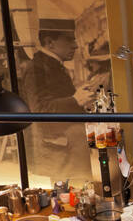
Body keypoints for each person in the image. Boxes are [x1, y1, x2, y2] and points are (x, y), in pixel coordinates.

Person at [19, 17, 96, 180]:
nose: (75, 45)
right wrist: (76, 100)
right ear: (49, 42)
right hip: (61, 151)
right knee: (68, 198)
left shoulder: (53, 65)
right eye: (69, 40)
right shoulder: (36, 69)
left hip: (69, 147)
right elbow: (39, 110)